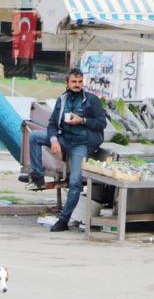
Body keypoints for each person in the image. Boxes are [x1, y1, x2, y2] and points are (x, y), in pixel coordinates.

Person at [23, 68, 108, 233]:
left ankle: (63, 220)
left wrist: (82, 120)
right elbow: (53, 124)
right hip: (64, 139)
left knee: (75, 182)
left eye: (80, 82)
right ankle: (38, 176)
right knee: (34, 137)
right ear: (67, 83)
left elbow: (101, 123)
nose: (77, 85)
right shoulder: (62, 100)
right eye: (74, 82)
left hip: (81, 144)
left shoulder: (92, 100)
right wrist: (54, 140)